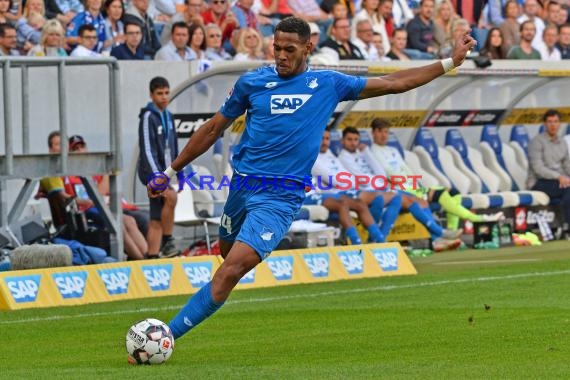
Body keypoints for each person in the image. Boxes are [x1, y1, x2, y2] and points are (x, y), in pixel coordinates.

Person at [147, 16, 474, 343]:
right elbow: (211, 128)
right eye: (276, 48)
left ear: (309, 48)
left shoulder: (329, 84)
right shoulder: (253, 83)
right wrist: (170, 172)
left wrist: (448, 62)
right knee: (227, 251)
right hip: (242, 187)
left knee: (229, 271)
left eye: (289, 49)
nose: (281, 56)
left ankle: (165, 336)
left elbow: (394, 82)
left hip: (280, 199)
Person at [338, 126, 463, 251]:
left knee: (420, 201)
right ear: (342, 141)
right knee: (400, 199)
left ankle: (437, 239)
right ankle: (438, 233)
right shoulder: (343, 158)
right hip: (368, 192)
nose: (353, 143)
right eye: (349, 139)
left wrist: (366, 152)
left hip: (381, 188)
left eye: (356, 140)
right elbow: (361, 179)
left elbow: (380, 173)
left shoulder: (363, 154)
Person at [368, 118, 504, 231]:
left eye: (386, 132)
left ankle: (452, 231)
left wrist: (415, 186)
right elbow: (389, 175)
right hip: (399, 190)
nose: (384, 135)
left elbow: (407, 170)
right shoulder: (372, 152)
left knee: (454, 192)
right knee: (440, 194)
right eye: (380, 131)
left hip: (413, 188)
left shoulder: (393, 150)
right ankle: (479, 219)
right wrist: (412, 188)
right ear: (373, 133)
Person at [311, 129, 402, 244]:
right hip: (335, 194)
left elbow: (348, 179)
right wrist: (349, 181)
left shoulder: (331, 155)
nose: (324, 142)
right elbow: (335, 180)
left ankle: (378, 240)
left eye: (327, 139)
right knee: (376, 199)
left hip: (350, 190)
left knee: (394, 196)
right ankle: (367, 241)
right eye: (321, 139)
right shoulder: (314, 158)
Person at [137, 76, 180, 259]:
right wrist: (157, 177)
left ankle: (152, 256)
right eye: (159, 93)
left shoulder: (169, 116)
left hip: (164, 172)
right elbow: (147, 148)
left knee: (156, 218)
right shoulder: (148, 116)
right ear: (151, 95)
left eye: (166, 93)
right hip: (151, 172)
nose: (164, 97)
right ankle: (168, 241)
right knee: (170, 197)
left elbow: (174, 146)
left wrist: (178, 170)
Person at [528, 109, 570, 235]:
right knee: (568, 190)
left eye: (556, 122)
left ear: (559, 124)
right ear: (545, 124)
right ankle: (567, 227)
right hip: (539, 182)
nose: (553, 125)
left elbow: (567, 164)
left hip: (559, 182)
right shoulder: (536, 142)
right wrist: (559, 177)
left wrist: (566, 177)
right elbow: (538, 168)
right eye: (550, 122)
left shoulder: (562, 142)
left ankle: (565, 226)